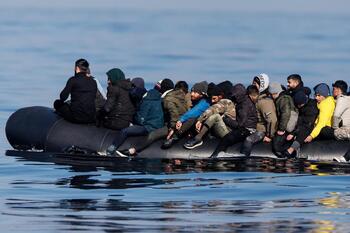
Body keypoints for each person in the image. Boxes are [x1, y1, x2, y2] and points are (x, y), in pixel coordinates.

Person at [119, 80, 189, 156]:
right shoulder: (184, 97)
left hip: (175, 125)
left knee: (153, 135)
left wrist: (172, 128)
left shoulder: (168, 98)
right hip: (184, 124)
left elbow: (173, 113)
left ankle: (133, 150)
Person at [106, 87, 164, 155]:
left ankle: (111, 149)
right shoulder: (156, 98)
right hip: (159, 126)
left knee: (125, 131)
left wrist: (133, 121)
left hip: (149, 127)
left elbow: (141, 120)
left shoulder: (146, 102)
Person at [209, 84, 258, 158]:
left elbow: (240, 124)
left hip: (248, 129)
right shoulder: (244, 101)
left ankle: (215, 155)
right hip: (246, 128)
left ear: (239, 96)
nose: (233, 98)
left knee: (227, 138)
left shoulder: (244, 106)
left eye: (235, 96)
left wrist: (226, 119)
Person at [184, 83, 236, 149]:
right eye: (211, 98)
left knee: (215, 116)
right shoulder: (214, 101)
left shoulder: (226, 102)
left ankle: (198, 138)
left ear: (220, 96)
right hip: (217, 130)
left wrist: (200, 120)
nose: (212, 101)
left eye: (214, 98)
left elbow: (213, 109)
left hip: (227, 132)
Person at [162, 81, 210, 149]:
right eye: (192, 91)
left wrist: (181, 120)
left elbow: (194, 112)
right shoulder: (193, 99)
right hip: (192, 126)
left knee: (192, 119)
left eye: (195, 92)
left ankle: (175, 137)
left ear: (202, 94)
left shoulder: (205, 102)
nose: (192, 94)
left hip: (201, 126)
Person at [241, 74, 278, 156]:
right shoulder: (256, 99)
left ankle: (244, 162)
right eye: (252, 83)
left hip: (262, 131)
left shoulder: (264, 102)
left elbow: (272, 120)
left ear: (262, 86)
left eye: (255, 84)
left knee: (249, 139)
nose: (252, 85)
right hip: (253, 127)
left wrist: (269, 136)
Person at [54, 58, 97, 124]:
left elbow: (62, 97)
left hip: (77, 117)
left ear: (77, 68)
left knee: (57, 103)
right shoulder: (93, 82)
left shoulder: (73, 80)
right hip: (91, 117)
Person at [282, 91, 319, 158]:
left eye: (299, 105)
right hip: (302, 125)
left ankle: (291, 150)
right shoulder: (303, 107)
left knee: (303, 131)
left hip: (309, 127)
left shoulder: (310, 109)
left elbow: (307, 125)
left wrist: (294, 133)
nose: (298, 106)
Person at [268, 82, 299, 157]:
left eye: (270, 94)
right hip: (288, 126)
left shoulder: (283, 99)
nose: (270, 96)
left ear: (274, 93)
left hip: (287, 127)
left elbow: (285, 113)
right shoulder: (283, 97)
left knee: (276, 146)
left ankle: (286, 157)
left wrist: (281, 129)